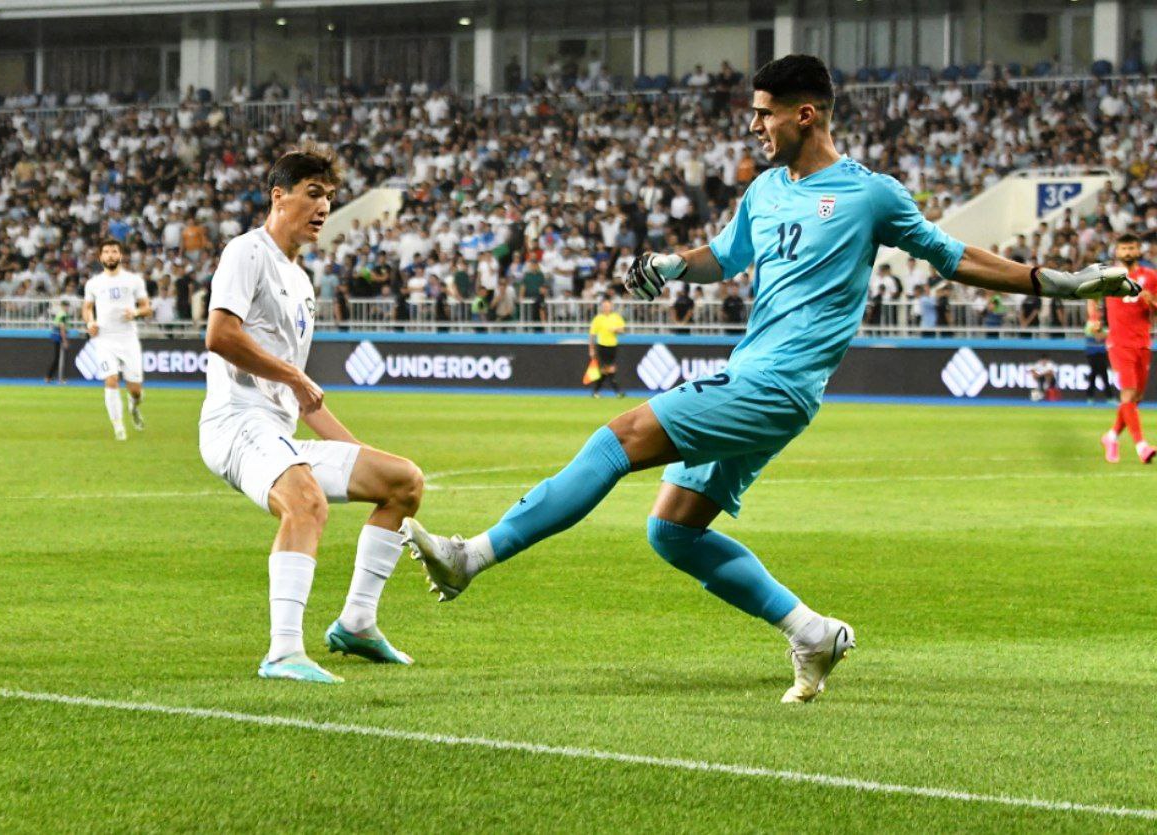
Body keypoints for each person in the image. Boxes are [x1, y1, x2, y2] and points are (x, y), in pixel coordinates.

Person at [400, 54, 1138, 704]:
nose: (754, 127)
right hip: (750, 373)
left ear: (804, 114)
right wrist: (671, 263)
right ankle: (812, 632)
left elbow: (956, 257)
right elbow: (723, 257)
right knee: (672, 531)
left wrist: (1060, 283)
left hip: (778, 385)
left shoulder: (870, 194)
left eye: (764, 113)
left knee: (618, 437)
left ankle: (472, 557)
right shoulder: (766, 191)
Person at [200, 144, 425, 684]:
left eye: (330, 197)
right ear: (279, 196)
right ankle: (283, 652)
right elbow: (220, 335)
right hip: (236, 422)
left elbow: (305, 402)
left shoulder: (301, 282)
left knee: (403, 481)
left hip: (277, 431)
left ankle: (357, 623)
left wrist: (360, 453)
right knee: (305, 502)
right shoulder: (246, 252)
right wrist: (293, 375)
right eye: (314, 193)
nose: (324, 207)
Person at [1090, 233, 1157, 463]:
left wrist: (1152, 302)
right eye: (1123, 248)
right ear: (1117, 252)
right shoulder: (1109, 276)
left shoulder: (1151, 276)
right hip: (1119, 343)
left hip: (1143, 342)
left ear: (1139, 250)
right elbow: (1092, 297)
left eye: (1131, 248)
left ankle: (1111, 437)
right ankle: (1142, 446)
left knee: (1136, 398)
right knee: (1128, 393)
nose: (1128, 252)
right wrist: (1094, 319)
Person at [82, 239, 151, 440]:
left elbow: (146, 307)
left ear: (120, 255)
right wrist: (90, 322)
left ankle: (134, 406)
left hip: (128, 339)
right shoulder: (93, 283)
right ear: (100, 256)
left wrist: (135, 312)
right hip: (104, 339)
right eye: (106, 252)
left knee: (135, 390)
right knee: (111, 379)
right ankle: (118, 426)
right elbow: (87, 308)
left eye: (114, 251)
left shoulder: (134, 280)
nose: (110, 255)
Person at [588, 298, 626, 398]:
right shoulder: (598, 319)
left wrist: (616, 330)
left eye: (608, 306)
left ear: (611, 307)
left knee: (604, 370)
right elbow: (592, 335)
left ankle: (595, 391)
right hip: (602, 346)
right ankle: (618, 391)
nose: (606, 308)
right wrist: (591, 349)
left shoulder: (616, 317)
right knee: (610, 368)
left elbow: (622, 330)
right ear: (602, 307)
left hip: (613, 346)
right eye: (604, 306)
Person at [1084, 317, 1113, 404]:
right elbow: (1098, 337)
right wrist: (1105, 334)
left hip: (1101, 353)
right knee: (1097, 375)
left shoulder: (1101, 327)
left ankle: (1092, 397)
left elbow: (1103, 335)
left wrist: (1104, 334)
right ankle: (1106, 397)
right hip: (1093, 354)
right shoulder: (1089, 325)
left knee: (1101, 375)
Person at [45, 300, 70, 384]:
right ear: (62, 306)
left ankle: (49, 377)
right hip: (58, 338)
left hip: (56, 337)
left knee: (57, 358)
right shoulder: (63, 315)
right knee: (59, 359)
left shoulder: (60, 314)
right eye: (66, 306)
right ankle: (57, 378)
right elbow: (62, 328)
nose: (67, 308)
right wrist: (65, 340)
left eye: (67, 306)